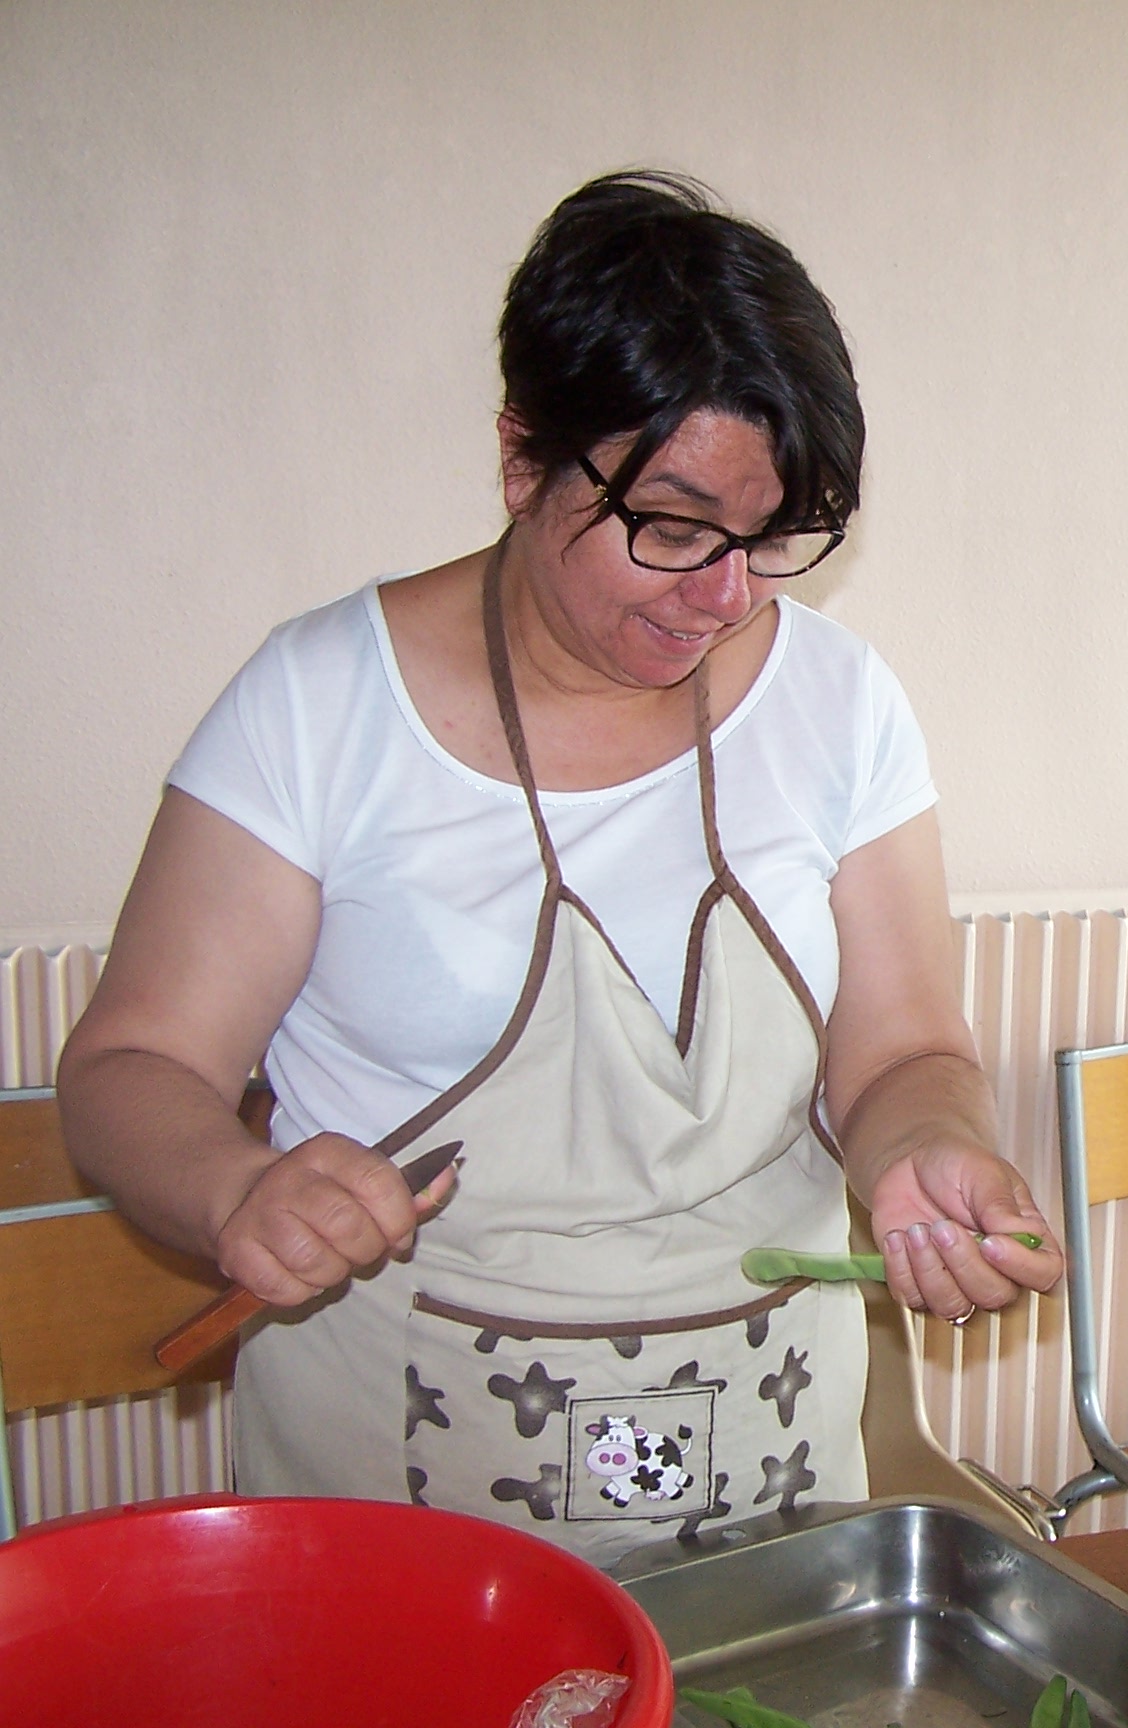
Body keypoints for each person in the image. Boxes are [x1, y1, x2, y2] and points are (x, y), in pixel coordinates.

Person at [58, 170, 1063, 1566]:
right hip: (406, 1489)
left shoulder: (841, 705)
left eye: (775, 539)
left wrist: (928, 1146)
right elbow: (132, 1070)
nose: (723, 596)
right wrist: (236, 1189)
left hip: (765, 1473)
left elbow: (903, 1046)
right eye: (672, 526)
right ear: (525, 458)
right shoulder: (320, 705)